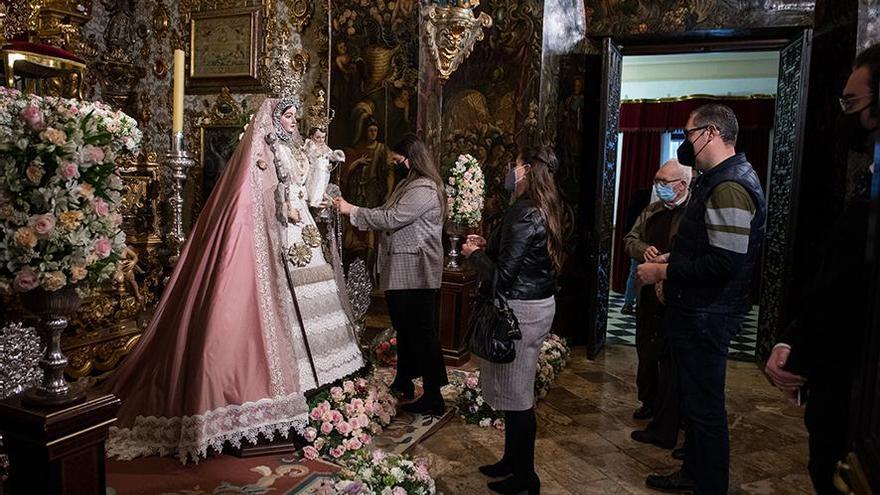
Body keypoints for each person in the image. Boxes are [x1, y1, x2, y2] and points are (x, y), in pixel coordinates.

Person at [102, 97, 365, 462]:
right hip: (277, 235)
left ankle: (318, 385)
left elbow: (303, 184)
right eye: (287, 116)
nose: (293, 122)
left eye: (294, 117)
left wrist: (320, 171)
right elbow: (255, 194)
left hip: (300, 233)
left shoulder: (293, 148)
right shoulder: (263, 150)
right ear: (273, 119)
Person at [764, 43, 879, 495]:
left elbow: (847, 289)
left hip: (855, 397)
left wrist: (802, 355)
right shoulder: (868, 177)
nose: (843, 114)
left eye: (851, 103)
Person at [637, 104, 767, 494]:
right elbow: (709, 247)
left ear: (709, 133)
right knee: (695, 404)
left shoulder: (730, 185)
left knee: (706, 409)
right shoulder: (719, 178)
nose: (685, 141)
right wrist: (675, 257)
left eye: (688, 133)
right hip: (699, 309)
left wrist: (663, 272)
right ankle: (692, 474)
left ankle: (708, 484)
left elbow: (725, 262)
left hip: (707, 313)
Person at [461, 146, 564, 495]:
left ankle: (526, 478)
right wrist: (490, 246)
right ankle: (510, 461)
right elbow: (522, 258)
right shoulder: (542, 206)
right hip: (534, 304)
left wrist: (475, 256)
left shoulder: (523, 211)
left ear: (527, 171)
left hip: (521, 311)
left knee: (519, 400)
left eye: (514, 165)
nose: (510, 170)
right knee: (512, 394)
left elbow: (504, 277)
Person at [335, 133, 448, 415]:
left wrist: (352, 210)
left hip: (416, 271)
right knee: (405, 329)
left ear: (411, 160)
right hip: (402, 269)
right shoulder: (407, 184)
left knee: (421, 332)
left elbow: (392, 218)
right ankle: (404, 380)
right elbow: (386, 210)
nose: (394, 164)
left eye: (397, 160)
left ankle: (434, 395)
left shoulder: (424, 188)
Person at [625, 160, 691, 436]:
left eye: (664, 182)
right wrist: (643, 249)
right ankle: (649, 401)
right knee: (646, 349)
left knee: (670, 357)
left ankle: (671, 413)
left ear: (682, 185)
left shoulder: (693, 215)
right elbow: (630, 238)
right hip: (648, 294)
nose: (658, 187)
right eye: (656, 181)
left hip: (676, 295)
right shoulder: (652, 210)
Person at [621, 188, 652, 316]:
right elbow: (630, 231)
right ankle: (628, 303)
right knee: (634, 272)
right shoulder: (643, 198)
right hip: (640, 244)